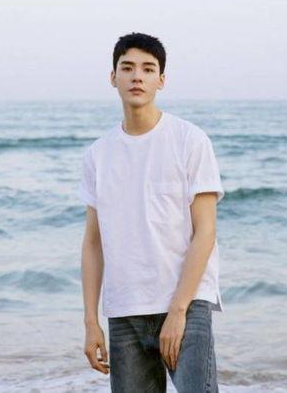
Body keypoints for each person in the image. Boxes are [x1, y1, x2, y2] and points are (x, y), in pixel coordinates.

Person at [79, 32, 225, 392]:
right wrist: (91, 321)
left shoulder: (189, 140)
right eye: (127, 68)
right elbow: (93, 243)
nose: (137, 77)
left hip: (185, 304)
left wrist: (178, 310)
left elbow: (205, 231)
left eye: (147, 69)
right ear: (113, 77)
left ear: (161, 79)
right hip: (125, 310)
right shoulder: (98, 154)